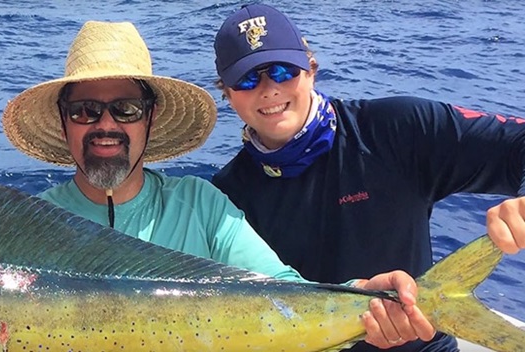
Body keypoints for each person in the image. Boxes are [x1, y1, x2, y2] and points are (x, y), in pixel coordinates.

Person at [0, 20, 436, 348]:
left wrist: (361, 300)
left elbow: (283, 293)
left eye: (124, 109)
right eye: (85, 110)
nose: (105, 126)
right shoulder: (30, 221)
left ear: (149, 119)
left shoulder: (203, 207)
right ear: (64, 121)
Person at [210, 3, 525, 351]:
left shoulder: (397, 129)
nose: (268, 89)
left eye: (283, 71)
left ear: (311, 69)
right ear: (226, 93)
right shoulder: (224, 199)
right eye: (248, 78)